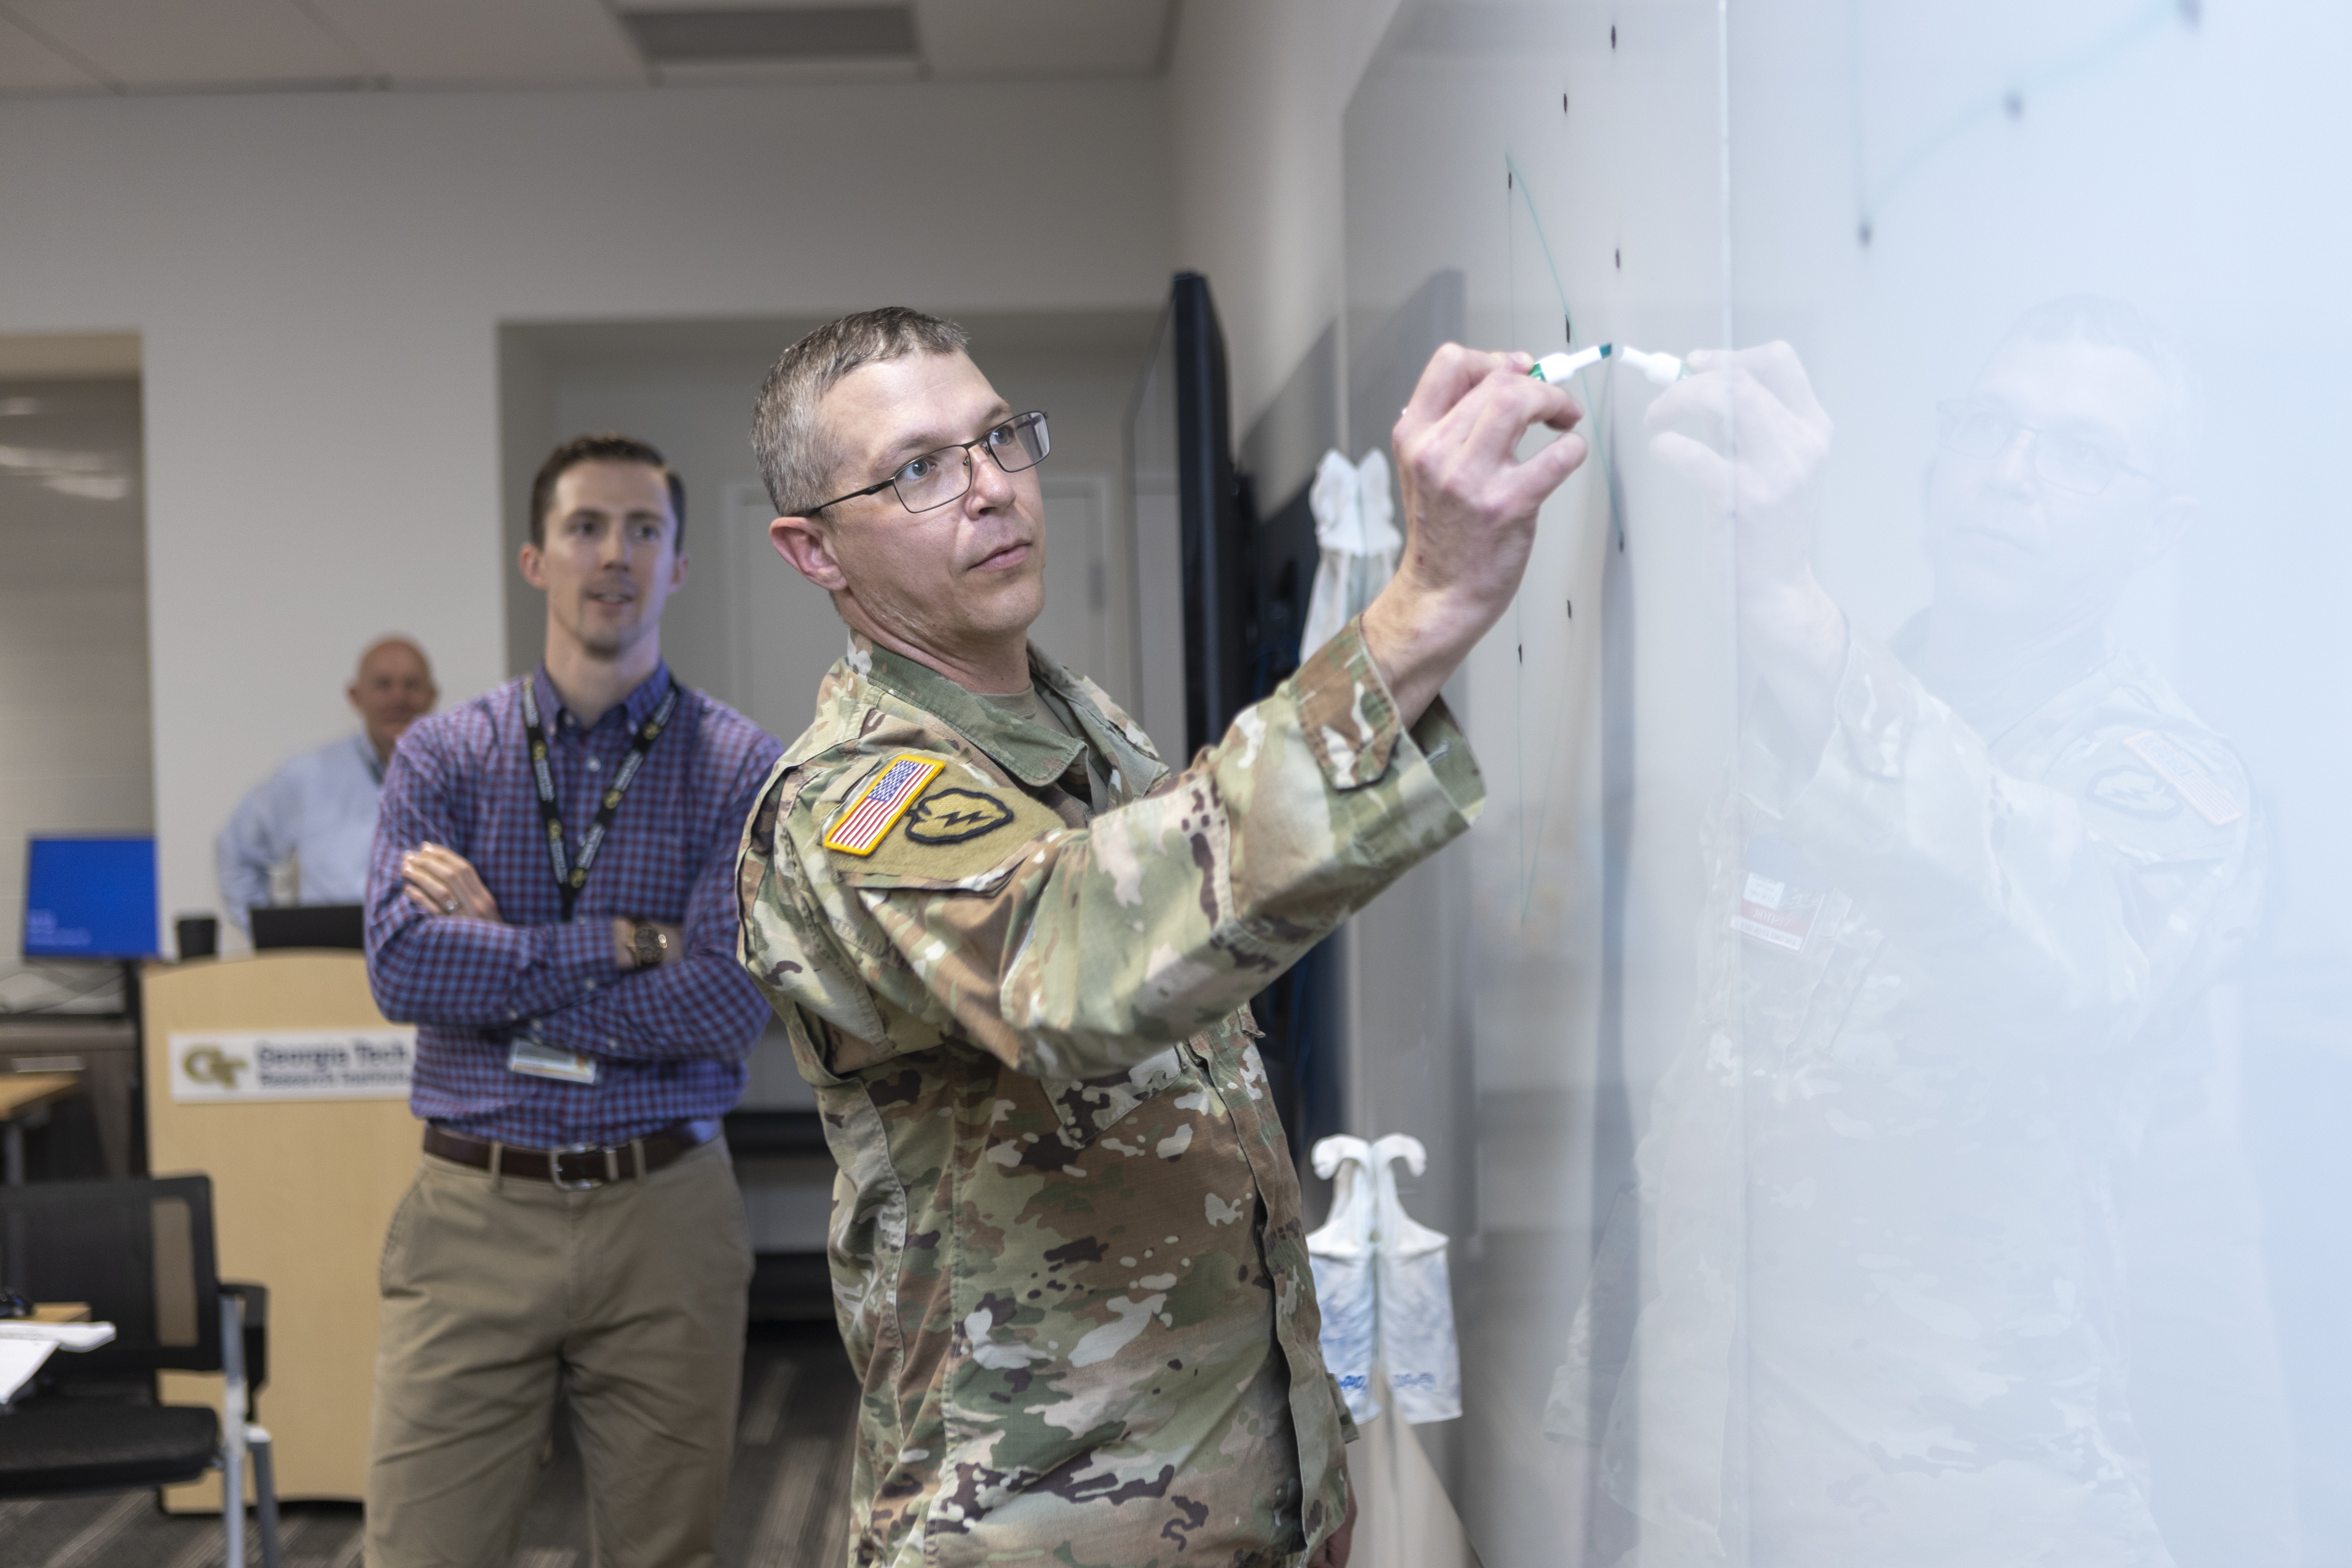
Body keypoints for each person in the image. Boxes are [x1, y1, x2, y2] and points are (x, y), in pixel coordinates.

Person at [733, 307, 1588, 1567]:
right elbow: (1080, 967)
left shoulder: (1078, 727)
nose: (986, 488)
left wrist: (1312, 1464)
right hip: (1038, 1524)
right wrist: (1426, 604)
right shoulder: (849, 805)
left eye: (995, 439)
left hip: (1234, 1493)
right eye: (918, 467)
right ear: (813, 552)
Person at [1544, 301, 2267, 1566]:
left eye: (2076, 450)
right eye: (1987, 425)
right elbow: (1709, 1092)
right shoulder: (1795, 729)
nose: (2008, 473)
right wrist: (1596, 1421)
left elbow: (2060, 959)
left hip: (1963, 1506)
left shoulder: (2163, 788)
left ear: (2159, 530)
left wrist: (1782, 599)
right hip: (1711, 1493)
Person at [361, 434, 784, 1568]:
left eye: (645, 531)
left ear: (678, 567)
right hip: (473, 1214)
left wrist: (501, 956)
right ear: (535, 560)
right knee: (421, 1551)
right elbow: (404, 968)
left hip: (666, 1212)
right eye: (586, 527)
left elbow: (723, 1005)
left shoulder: (744, 769)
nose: (616, 555)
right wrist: (620, 945)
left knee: (668, 1554)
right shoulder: (444, 757)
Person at [215, 635, 437, 930]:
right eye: (383, 685)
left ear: (432, 696)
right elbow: (237, 850)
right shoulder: (309, 775)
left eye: (412, 685)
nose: (399, 698)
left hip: (429, 961)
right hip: (327, 962)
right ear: (355, 696)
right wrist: (273, 940)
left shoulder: (466, 779)